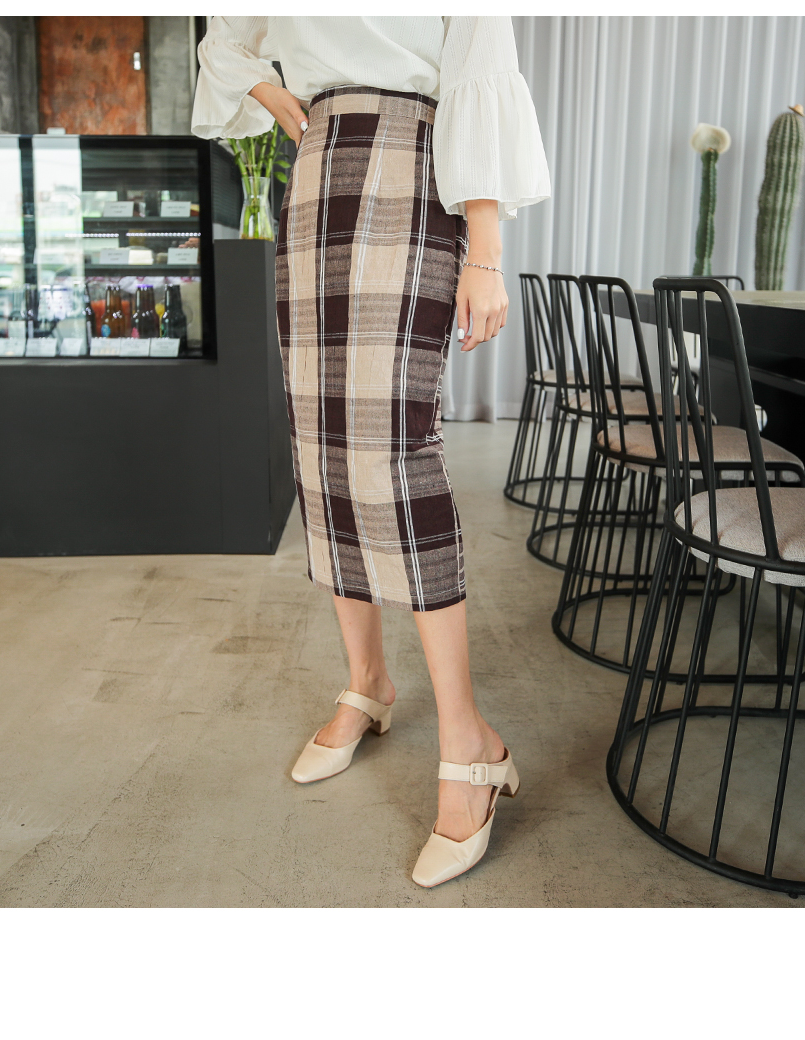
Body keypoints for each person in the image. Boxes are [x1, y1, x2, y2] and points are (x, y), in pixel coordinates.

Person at [192, 16, 550, 888]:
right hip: (318, 173)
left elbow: (478, 73)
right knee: (322, 447)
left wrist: (486, 253)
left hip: (414, 166)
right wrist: (279, 99)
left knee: (395, 451)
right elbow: (223, 41)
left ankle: (469, 743)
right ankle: (369, 683)